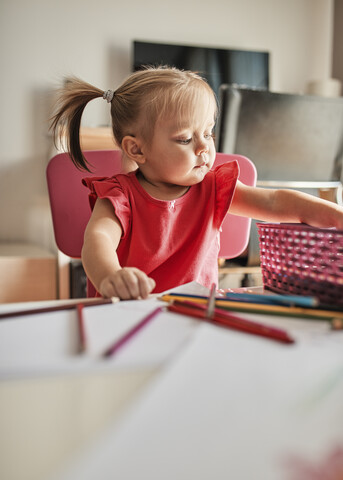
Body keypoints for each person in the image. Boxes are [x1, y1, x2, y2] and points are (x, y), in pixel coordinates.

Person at [51, 66, 343, 300]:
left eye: (209, 133)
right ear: (137, 149)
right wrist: (110, 276)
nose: (204, 148)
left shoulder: (213, 187)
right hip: (131, 313)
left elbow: (274, 201)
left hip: (198, 315)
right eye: (185, 139)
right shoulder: (119, 196)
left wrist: (335, 216)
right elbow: (97, 240)